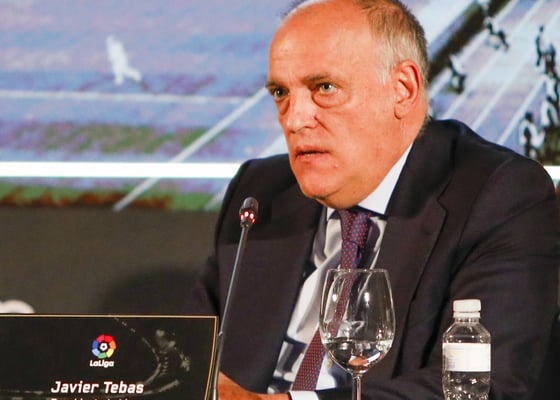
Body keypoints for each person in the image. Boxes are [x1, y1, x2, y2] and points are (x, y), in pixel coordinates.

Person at [187, 1, 559, 400]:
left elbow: (478, 387)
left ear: (403, 89)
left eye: (324, 88)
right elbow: (184, 355)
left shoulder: (498, 196)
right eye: (281, 92)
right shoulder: (261, 191)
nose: (294, 119)